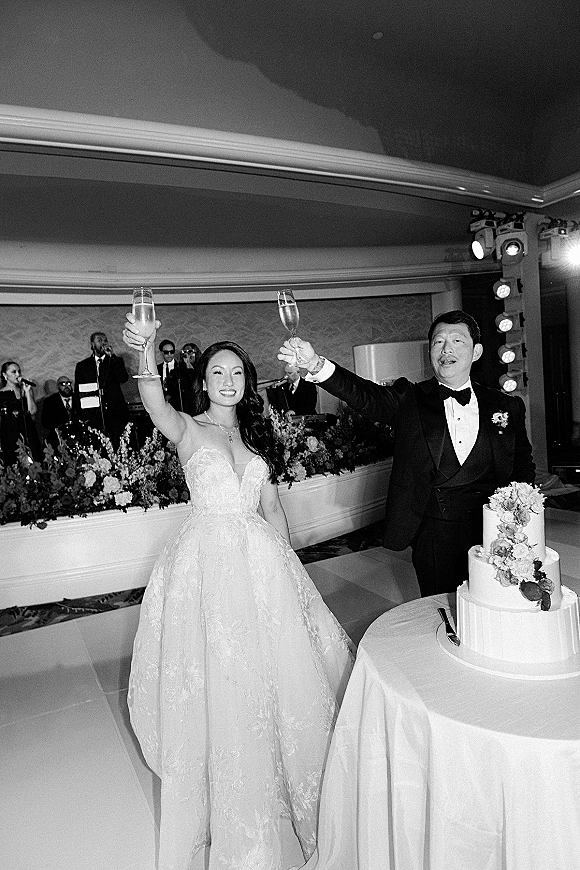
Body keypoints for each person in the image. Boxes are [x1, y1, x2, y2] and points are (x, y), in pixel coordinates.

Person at [122, 316, 354, 870]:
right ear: (202, 381)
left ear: (247, 381)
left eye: (236, 372)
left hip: (263, 569)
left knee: (277, 678)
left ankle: (300, 809)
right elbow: (152, 397)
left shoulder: (255, 441)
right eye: (217, 371)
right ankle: (234, 822)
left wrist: (292, 580)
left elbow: (272, 510)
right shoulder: (187, 428)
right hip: (207, 568)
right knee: (223, 681)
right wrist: (145, 349)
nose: (228, 379)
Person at [278, 310, 536, 598]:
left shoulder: (505, 405)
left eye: (457, 341)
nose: (446, 349)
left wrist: (519, 519)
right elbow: (364, 394)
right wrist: (315, 364)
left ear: (476, 352)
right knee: (440, 608)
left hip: (493, 528)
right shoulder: (409, 399)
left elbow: (522, 464)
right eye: (438, 342)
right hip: (434, 531)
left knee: (493, 600)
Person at [74, 332, 129, 448]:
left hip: (115, 412)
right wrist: (81, 415)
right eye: (99, 340)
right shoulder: (82, 366)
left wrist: (112, 357)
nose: (103, 343)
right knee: (98, 446)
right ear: (92, 344)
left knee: (118, 444)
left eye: (105, 340)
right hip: (94, 414)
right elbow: (79, 391)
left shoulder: (115, 361)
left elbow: (123, 378)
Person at [0, 361, 43, 466]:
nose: (18, 375)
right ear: (5, 375)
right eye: (13, 372)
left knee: (35, 461)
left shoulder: (24, 390)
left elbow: (32, 411)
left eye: (19, 371)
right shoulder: (1, 394)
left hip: (28, 430)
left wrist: (28, 392)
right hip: (11, 434)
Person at [41, 375, 81, 451]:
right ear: (58, 386)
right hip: (59, 435)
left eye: (68, 383)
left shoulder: (78, 398)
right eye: (63, 384)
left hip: (79, 433)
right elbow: (45, 422)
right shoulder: (50, 401)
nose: (66, 386)